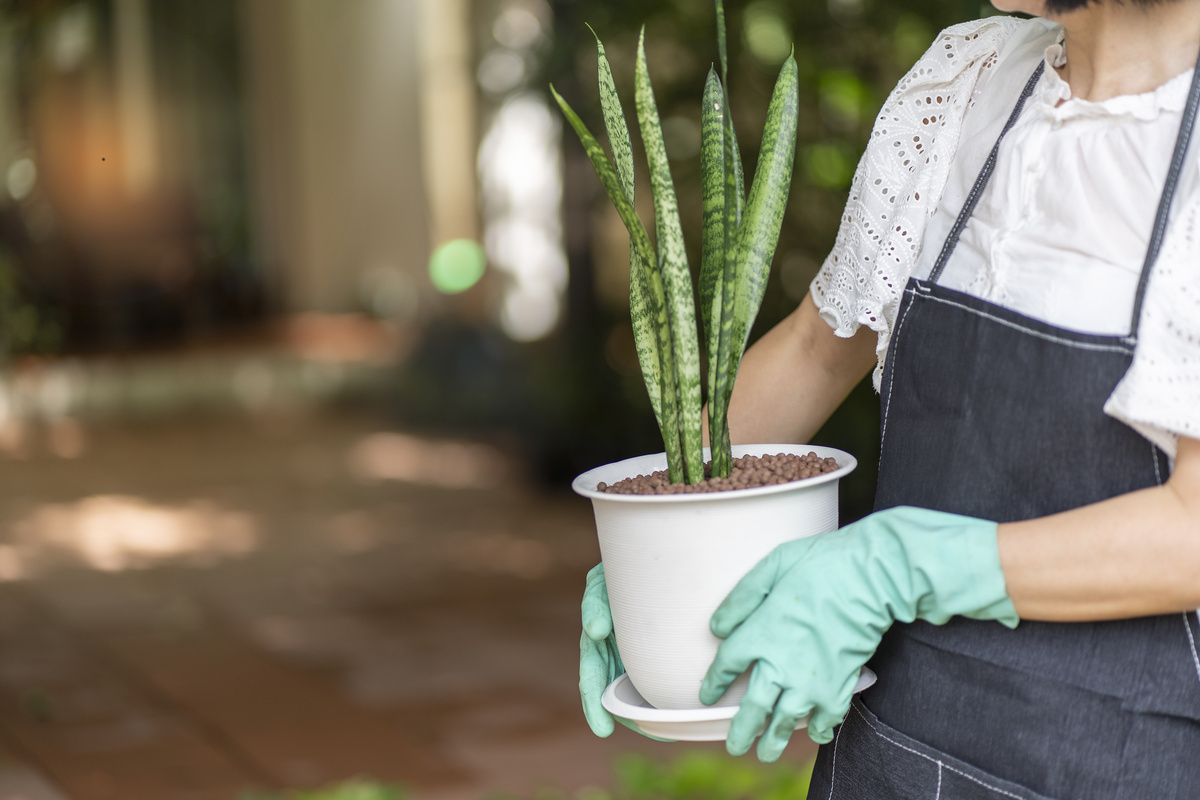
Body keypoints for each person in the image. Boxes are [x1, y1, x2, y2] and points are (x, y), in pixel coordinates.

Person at [578, 0, 1200, 796]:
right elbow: (816, 348)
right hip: (894, 746)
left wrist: (899, 563)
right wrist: (662, 531)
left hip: (1124, 765)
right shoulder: (968, 80)